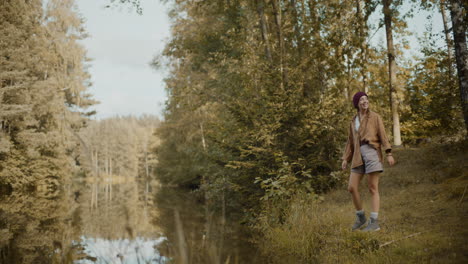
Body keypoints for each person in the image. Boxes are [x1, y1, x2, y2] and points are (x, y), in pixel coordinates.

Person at [341, 92, 395, 232]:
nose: (365, 101)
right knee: (352, 187)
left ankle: (374, 222)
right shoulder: (353, 121)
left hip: (372, 152)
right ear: (357, 104)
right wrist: (345, 159)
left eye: (366, 98)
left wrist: (388, 153)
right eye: (361, 99)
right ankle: (361, 217)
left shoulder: (375, 117)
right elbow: (350, 142)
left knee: (373, 188)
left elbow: (383, 135)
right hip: (358, 156)